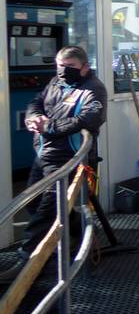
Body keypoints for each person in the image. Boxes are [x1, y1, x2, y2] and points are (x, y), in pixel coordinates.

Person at [0, 45, 107, 283]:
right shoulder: (55, 83)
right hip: (44, 155)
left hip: (68, 159)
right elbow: (37, 102)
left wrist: (48, 127)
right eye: (60, 65)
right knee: (33, 202)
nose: (64, 70)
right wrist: (33, 118)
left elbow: (91, 119)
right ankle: (79, 229)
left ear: (84, 67)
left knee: (46, 211)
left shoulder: (94, 89)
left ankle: (28, 263)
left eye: (70, 66)